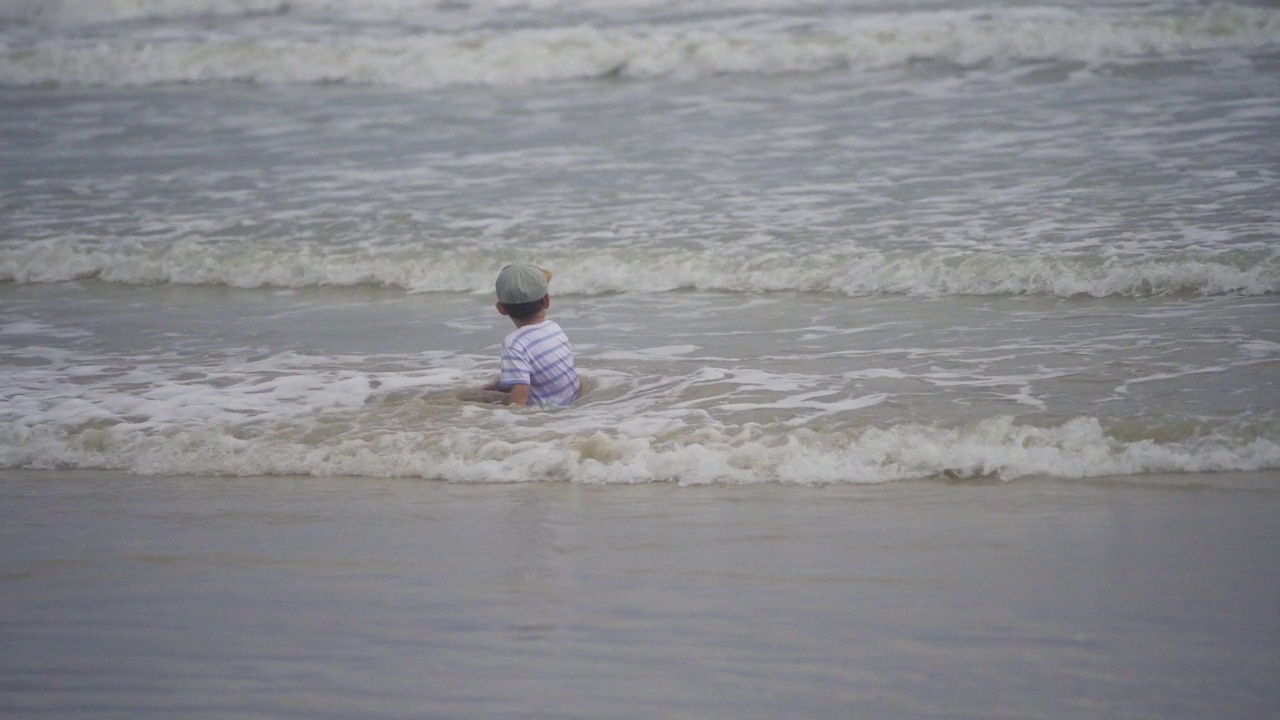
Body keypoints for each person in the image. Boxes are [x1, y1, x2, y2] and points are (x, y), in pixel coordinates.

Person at [481, 263, 579, 407]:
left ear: (501, 309)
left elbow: (521, 392)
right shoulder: (554, 328)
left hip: (546, 415)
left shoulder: (515, 343)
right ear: (546, 301)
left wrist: (505, 420)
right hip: (572, 405)